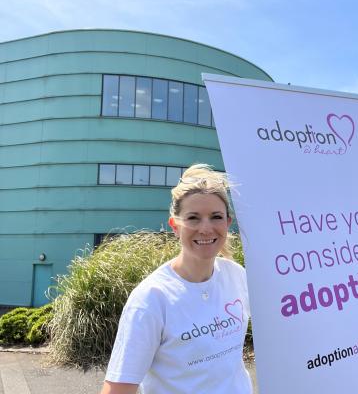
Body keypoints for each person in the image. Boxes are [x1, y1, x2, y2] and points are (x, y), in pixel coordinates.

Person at [101, 164, 252, 394]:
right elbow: (119, 388)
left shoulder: (236, 275)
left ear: (227, 223)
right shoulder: (152, 298)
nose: (206, 228)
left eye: (216, 217)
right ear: (175, 226)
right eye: (193, 218)